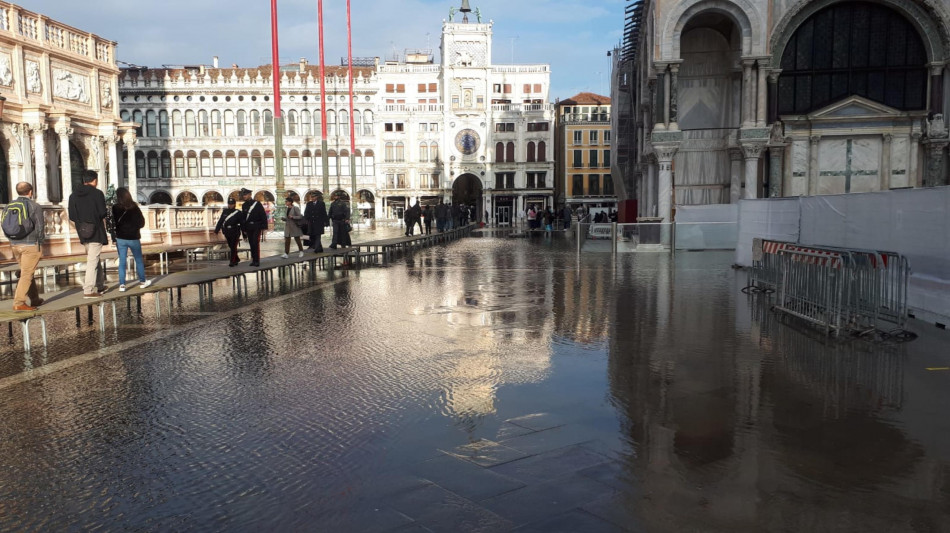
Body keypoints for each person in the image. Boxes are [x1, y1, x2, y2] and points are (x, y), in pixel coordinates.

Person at [68, 170, 108, 298]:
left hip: (82, 231)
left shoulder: (73, 195)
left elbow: (72, 216)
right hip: (96, 229)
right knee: (92, 260)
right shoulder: (97, 193)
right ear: (94, 180)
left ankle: (100, 284)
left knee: (94, 257)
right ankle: (88, 290)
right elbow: (102, 212)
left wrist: (82, 223)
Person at [7, 182, 44, 311]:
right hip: (30, 244)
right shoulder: (34, 206)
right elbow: (39, 227)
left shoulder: (9, 206)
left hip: (15, 244)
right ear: (30, 192)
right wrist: (40, 244)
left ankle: (34, 298)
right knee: (27, 273)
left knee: (27, 271)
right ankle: (19, 302)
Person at [112, 187, 152, 291]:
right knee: (138, 260)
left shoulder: (115, 208)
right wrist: (133, 227)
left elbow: (113, 223)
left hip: (121, 238)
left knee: (122, 261)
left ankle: (122, 285)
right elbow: (142, 223)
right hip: (134, 237)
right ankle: (142, 281)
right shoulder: (134, 207)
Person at [214, 196, 245, 266]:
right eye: (229, 204)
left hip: (235, 231)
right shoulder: (225, 211)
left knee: (233, 246)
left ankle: (232, 261)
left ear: (234, 204)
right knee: (231, 246)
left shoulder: (238, 213)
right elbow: (221, 221)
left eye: (231, 204)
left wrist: (244, 233)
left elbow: (242, 223)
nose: (230, 205)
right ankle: (236, 258)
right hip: (227, 232)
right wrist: (217, 229)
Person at [240, 188, 267, 267]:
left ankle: (257, 260)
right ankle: (253, 260)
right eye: (243, 195)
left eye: (245, 195)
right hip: (248, 227)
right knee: (251, 243)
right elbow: (244, 218)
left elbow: (263, 215)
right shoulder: (244, 205)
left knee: (255, 243)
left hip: (256, 226)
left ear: (250, 195)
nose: (244, 196)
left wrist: (264, 227)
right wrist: (243, 229)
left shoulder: (257, 204)